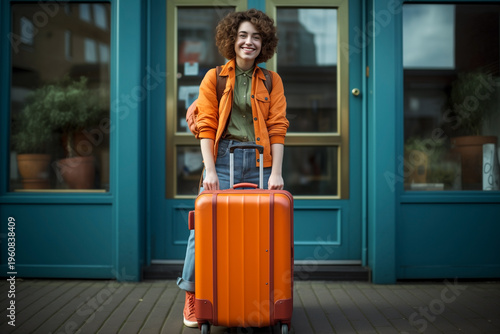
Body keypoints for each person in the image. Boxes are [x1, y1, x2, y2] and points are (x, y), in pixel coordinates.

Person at [177, 9, 289, 327]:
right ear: (232, 39)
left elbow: (278, 127)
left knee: (262, 231)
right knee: (202, 227)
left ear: (263, 43)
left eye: (256, 36)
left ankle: (253, 295)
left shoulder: (271, 80)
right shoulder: (215, 77)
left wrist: (275, 172)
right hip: (222, 161)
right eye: (242, 35)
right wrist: (210, 171)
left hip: (259, 163)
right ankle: (192, 294)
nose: (249, 42)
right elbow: (206, 126)